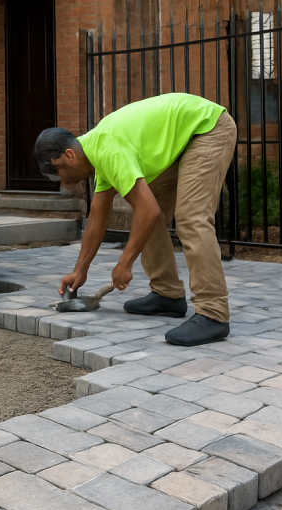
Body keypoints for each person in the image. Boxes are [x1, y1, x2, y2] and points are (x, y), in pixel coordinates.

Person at [34, 92, 237, 346]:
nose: (62, 181)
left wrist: (124, 263)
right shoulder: (98, 154)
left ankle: (213, 313)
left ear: (69, 155)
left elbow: (148, 211)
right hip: (185, 139)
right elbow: (97, 217)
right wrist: (80, 270)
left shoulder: (107, 149)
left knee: (190, 219)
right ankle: (168, 295)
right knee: (145, 213)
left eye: (58, 173)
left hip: (207, 129)